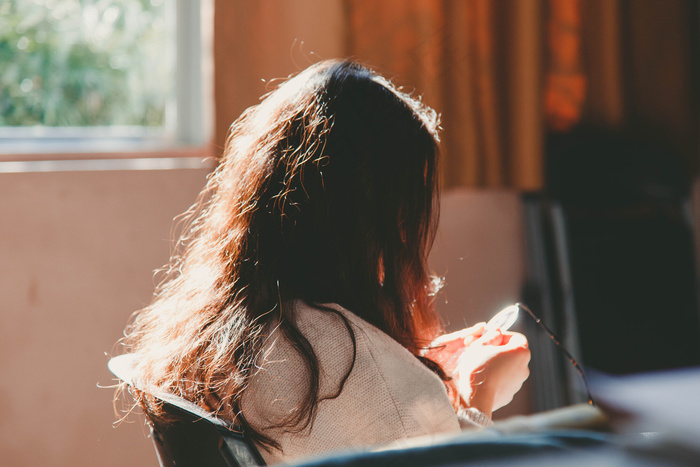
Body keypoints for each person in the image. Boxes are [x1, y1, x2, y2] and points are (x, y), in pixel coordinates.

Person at [120, 59, 530, 465]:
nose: (405, 235)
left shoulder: (218, 330)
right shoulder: (355, 368)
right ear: (371, 218)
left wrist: (411, 370)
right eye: (405, 211)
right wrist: (481, 390)